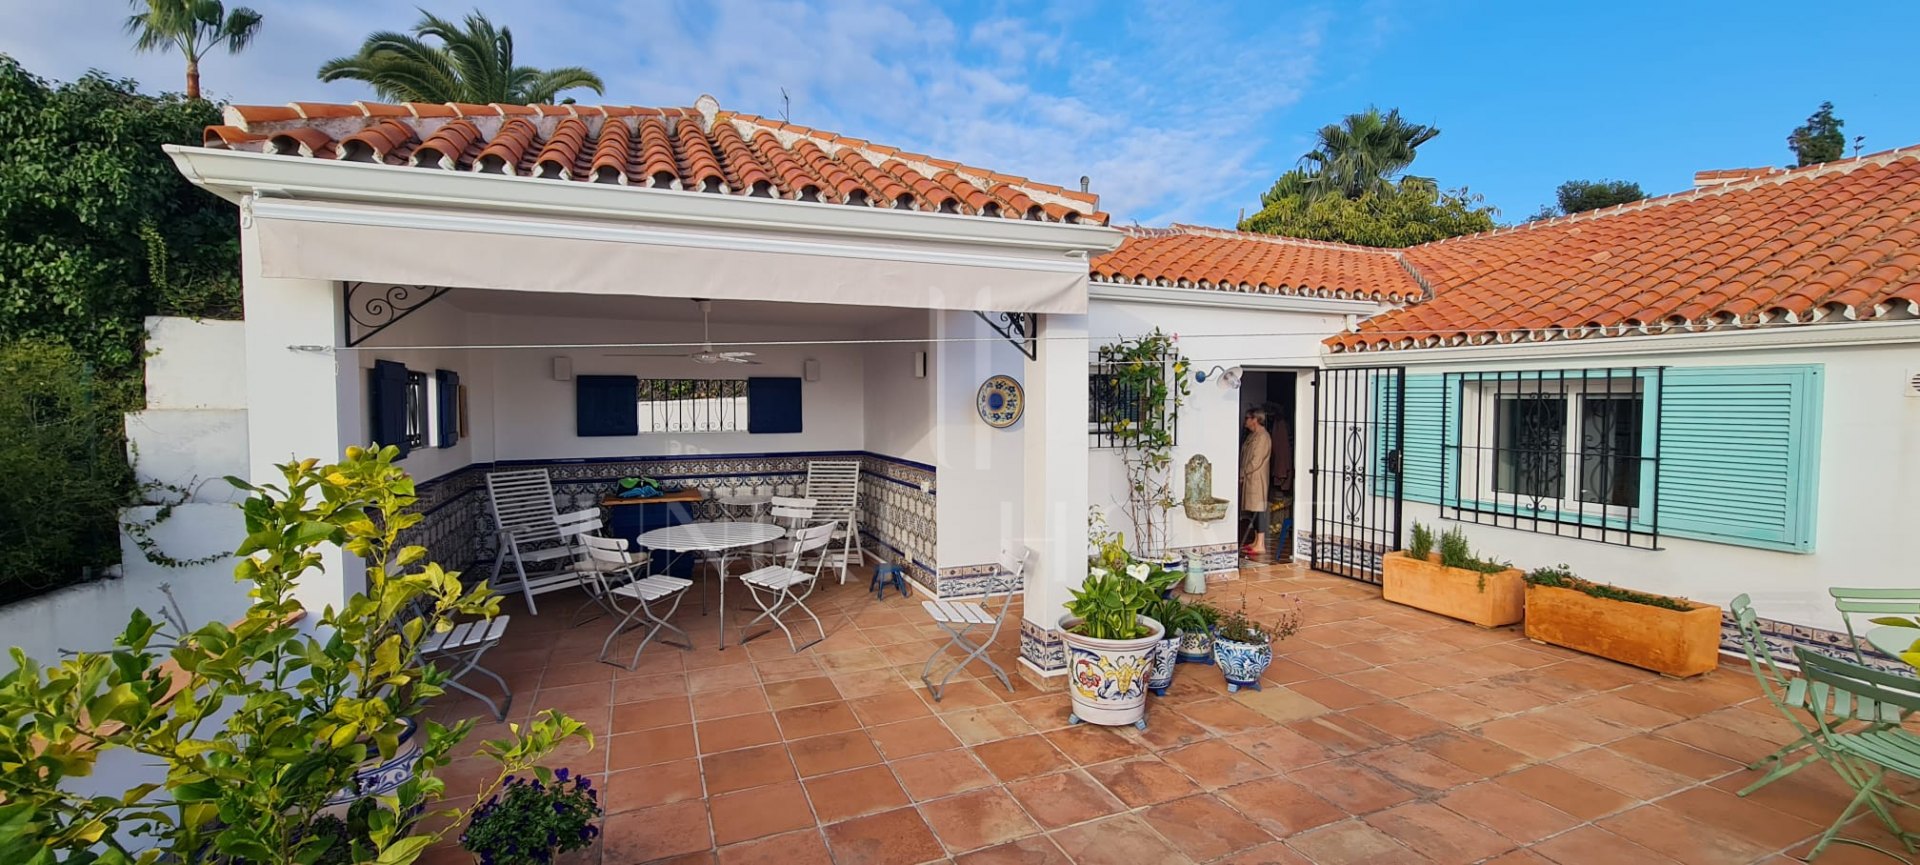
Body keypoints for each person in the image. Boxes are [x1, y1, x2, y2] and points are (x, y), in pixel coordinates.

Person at [1240, 407, 1271, 558]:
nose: (1245, 421)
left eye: (1247, 418)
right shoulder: (1253, 436)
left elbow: (1255, 461)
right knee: (1253, 509)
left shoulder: (1262, 437)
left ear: (1255, 419)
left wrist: (1243, 472)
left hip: (1257, 479)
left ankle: (1261, 543)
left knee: (1259, 509)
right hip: (1250, 478)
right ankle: (1256, 541)